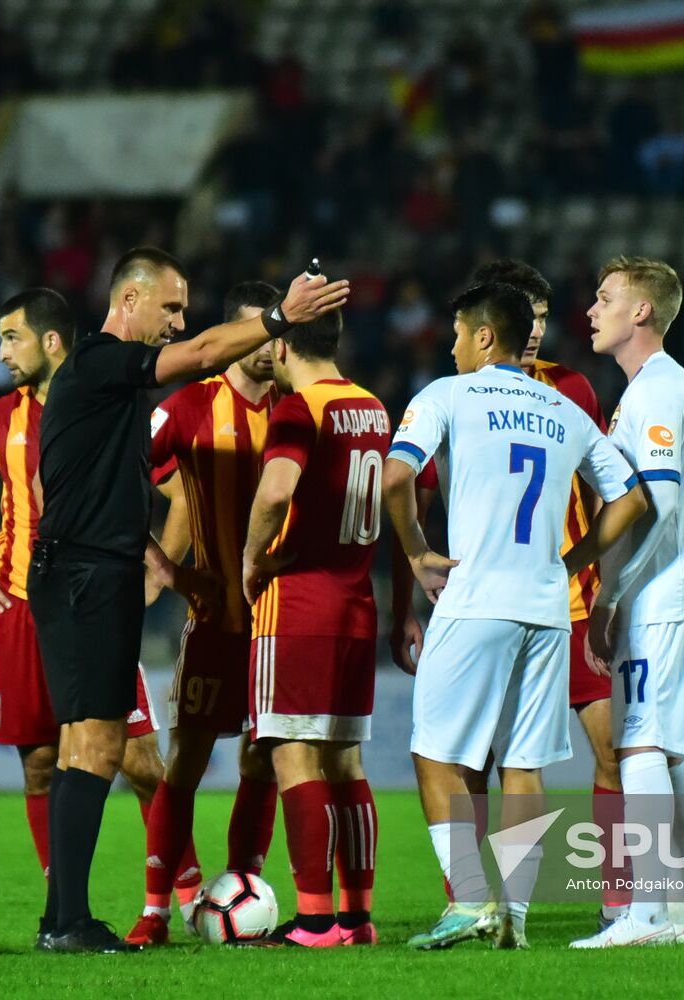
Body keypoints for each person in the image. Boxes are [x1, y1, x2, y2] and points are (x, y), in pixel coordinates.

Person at [29, 247, 347, 953]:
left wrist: (161, 566)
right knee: (97, 745)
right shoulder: (104, 362)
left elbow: (110, 491)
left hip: (96, 571)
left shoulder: (109, 392)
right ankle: (71, 922)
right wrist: (279, 316)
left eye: (182, 311)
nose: (177, 323)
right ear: (130, 299)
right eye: (169, 307)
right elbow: (202, 352)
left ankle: (65, 918)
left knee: (94, 744)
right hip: (85, 576)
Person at [385, 282, 647, 951]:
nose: (449, 347)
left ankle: (471, 901)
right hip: (546, 606)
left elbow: (393, 478)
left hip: (475, 600)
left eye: (455, 333)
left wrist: (417, 552)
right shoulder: (563, 408)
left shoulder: (447, 394)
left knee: (434, 754)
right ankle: (518, 918)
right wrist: (573, 557)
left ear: (481, 335)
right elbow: (632, 499)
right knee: (524, 766)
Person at [0, 288, 199, 921]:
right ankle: (64, 906)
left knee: (137, 759)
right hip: (23, 605)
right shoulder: (1, 418)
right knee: (41, 765)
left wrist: (158, 569)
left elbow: (180, 493)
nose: (0, 354)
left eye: (11, 338)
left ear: (51, 341)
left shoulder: (106, 404)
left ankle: (182, 897)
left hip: (92, 601)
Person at [125, 281, 283, 946]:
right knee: (185, 762)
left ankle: (244, 888)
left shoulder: (297, 409)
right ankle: (156, 910)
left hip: (279, 624)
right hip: (216, 626)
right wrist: (166, 567)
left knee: (262, 762)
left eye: (276, 335)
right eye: (258, 334)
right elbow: (120, 481)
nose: (271, 347)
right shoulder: (188, 408)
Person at [568, 257, 684, 948]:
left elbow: (662, 500)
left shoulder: (657, 390)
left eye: (605, 299)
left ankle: (647, 913)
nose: (591, 311)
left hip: (657, 596)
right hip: (669, 594)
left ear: (642, 313)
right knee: (670, 753)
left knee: (642, 747)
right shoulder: (652, 389)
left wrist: (612, 593)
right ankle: (683, 913)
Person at [241, 309, 387, 947]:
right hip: (357, 600)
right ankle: (357, 918)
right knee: (345, 762)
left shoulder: (299, 410)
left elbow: (277, 492)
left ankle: (313, 920)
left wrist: (252, 558)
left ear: (281, 345)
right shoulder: (374, 407)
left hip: (299, 603)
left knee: (292, 756)